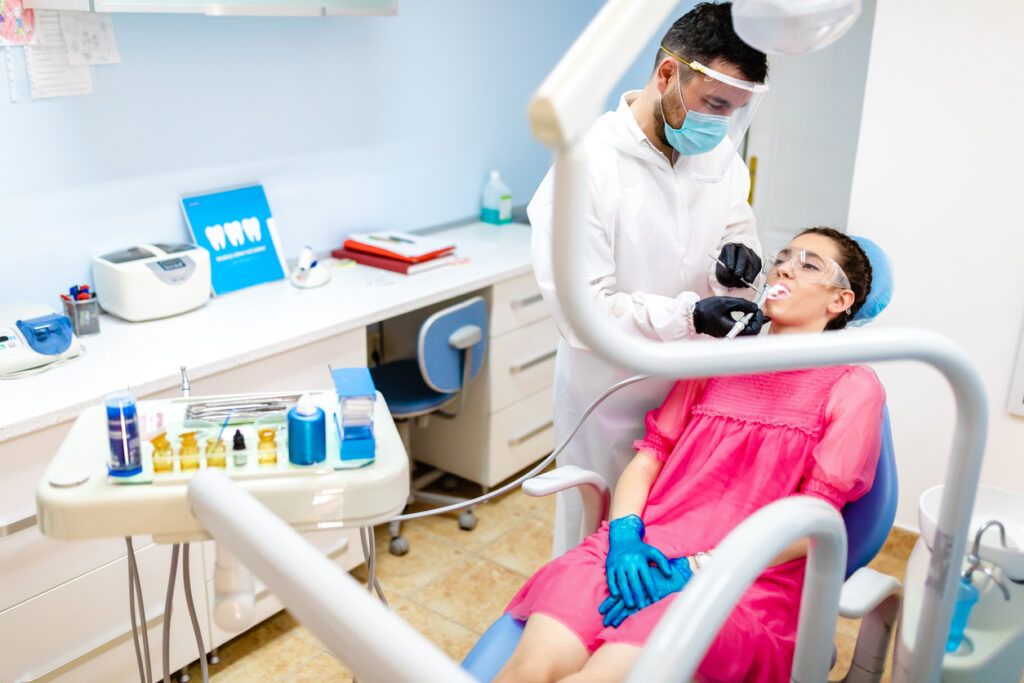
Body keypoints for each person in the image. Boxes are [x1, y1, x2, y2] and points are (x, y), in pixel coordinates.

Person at [496, 228, 885, 683]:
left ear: (840, 301)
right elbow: (649, 458)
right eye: (783, 256)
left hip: (743, 578)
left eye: (808, 264)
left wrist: (702, 567)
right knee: (526, 672)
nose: (784, 267)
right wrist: (624, 537)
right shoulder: (720, 358)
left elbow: (815, 520)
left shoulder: (854, 387)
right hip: (644, 550)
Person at [529, 2, 771, 557]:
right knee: (596, 539)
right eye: (714, 103)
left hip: (691, 392)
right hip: (609, 395)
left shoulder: (719, 158)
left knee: (673, 535)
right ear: (667, 74)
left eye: (734, 110)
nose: (721, 123)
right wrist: (687, 315)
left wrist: (744, 259)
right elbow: (581, 310)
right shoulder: (586, 166)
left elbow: (740, 228)